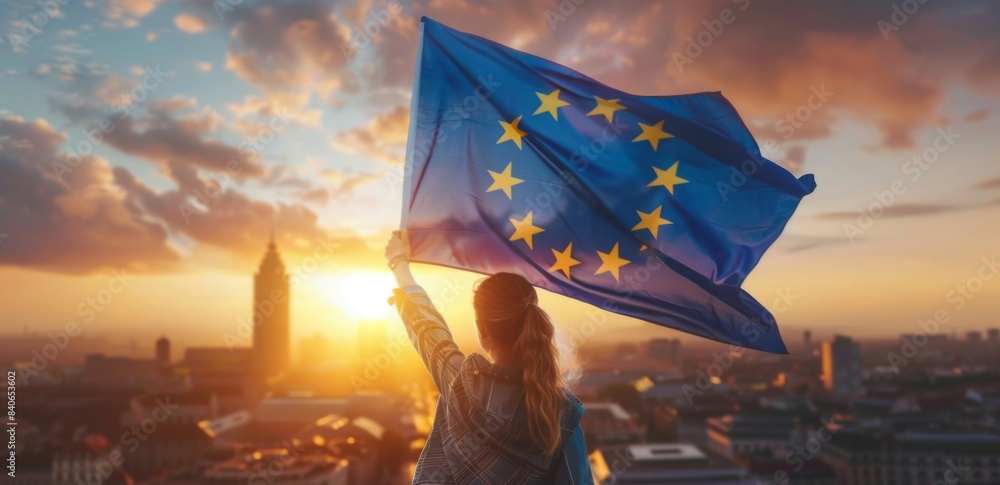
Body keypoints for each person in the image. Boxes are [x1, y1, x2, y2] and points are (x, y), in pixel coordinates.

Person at [385, 230, 593, 484]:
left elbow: (428, 331)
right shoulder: (560, 413)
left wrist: (399, 261)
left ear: (482, 331)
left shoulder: (461, 384)